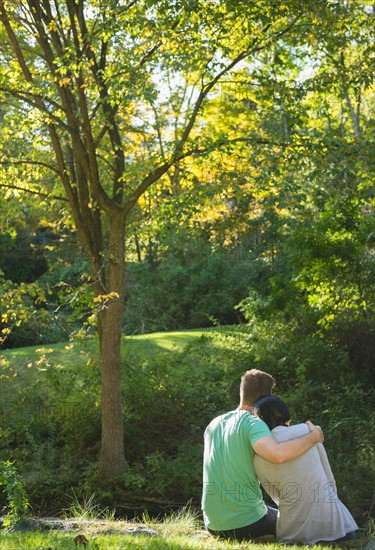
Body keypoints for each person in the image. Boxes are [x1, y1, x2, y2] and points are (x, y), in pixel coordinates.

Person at [201, 369, 324, 542]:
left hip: (213, 523)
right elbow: (278, 455)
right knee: (302, 521)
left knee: (273, 511)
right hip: (245, 524)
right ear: (266, 399)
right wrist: (314, 437)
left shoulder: (214, 424)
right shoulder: (253, 424)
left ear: (242, 392)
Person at [253, 396, 358, 545]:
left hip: (292, 533)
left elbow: (276, 497)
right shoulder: (308, 431)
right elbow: (329, 479)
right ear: (286, 416)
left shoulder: (258, 457)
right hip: (334, 527)